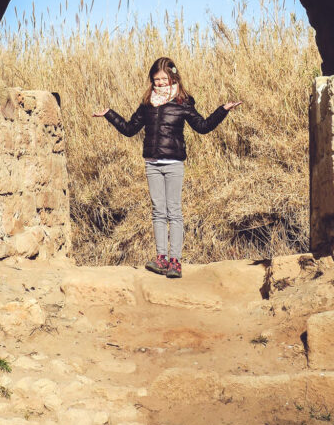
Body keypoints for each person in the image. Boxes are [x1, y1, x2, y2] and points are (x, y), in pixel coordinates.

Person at [92, 57, 242, 279]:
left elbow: (202, 127)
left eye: (164, 79)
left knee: (174, 212)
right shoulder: (147, 104)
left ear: (173, 77)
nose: (160, 83)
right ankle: (161, 259)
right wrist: (110, 115)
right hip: (152, 164)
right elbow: (130, 129)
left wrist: (223, 110)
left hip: (173, 164)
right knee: (158, 212)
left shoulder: (183, 103)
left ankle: (175, 262)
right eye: (156, 80)